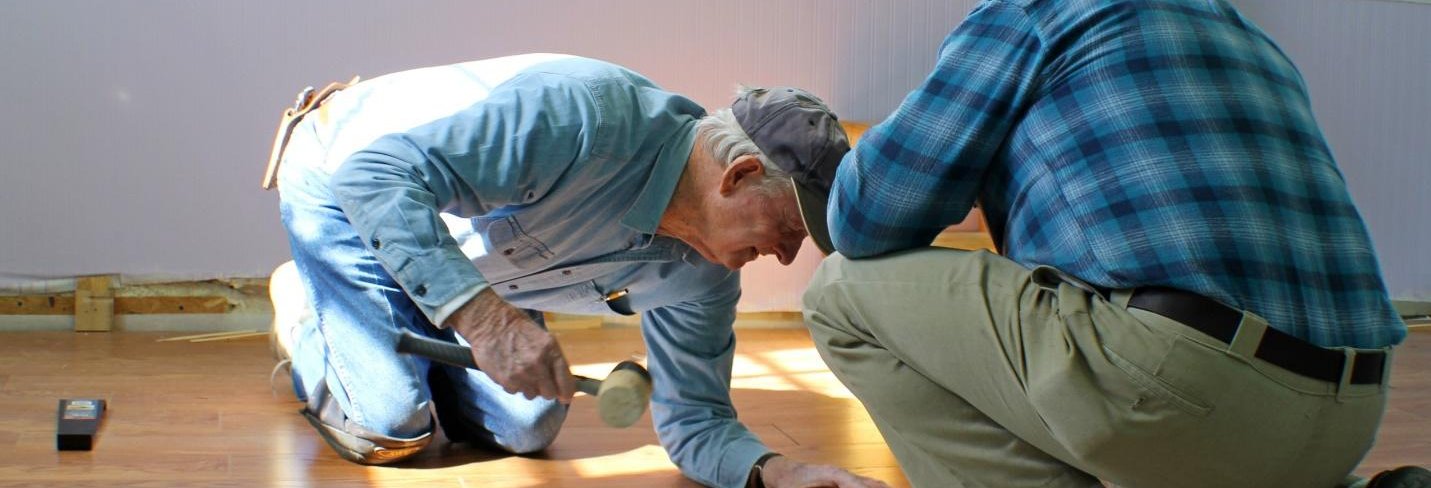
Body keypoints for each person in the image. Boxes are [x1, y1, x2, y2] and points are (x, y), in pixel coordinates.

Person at [799, 1, 1428, 487]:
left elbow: (864, 218)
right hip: (1353, 409)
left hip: (1190, 393)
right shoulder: (1241, 30)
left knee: (841, 295)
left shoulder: (1032, 13)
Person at [271, 53, 886, 488]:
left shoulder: (705, 276)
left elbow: (698, 421)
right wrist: (488, 322)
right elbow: (371, 177)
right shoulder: (582, 118)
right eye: (789, 229)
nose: (786, 257)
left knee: (528, 425)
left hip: (473, 257)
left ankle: (403, 325)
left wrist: (777, 472)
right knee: (389, 425)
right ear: (739, 176)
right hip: (346, 182)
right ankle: (305, 307)